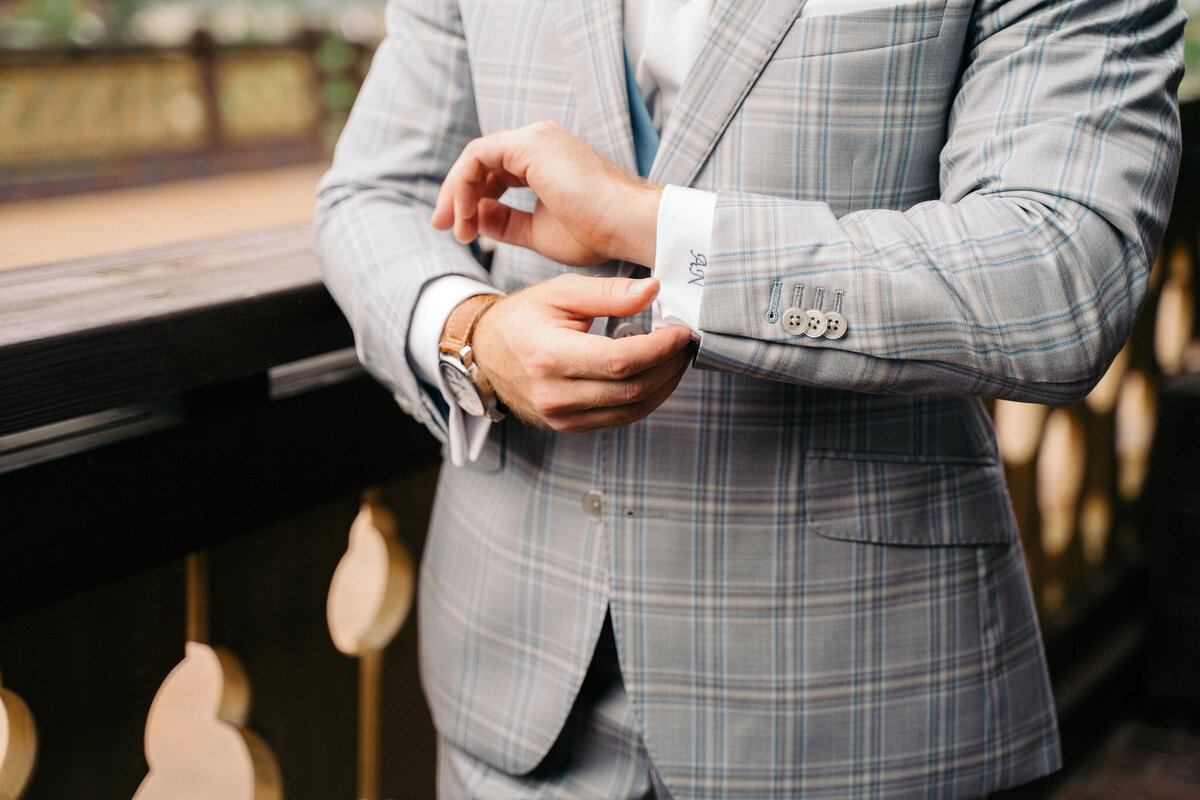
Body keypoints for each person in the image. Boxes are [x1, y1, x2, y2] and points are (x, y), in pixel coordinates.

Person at [314, 0, 1185, 795]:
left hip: (856, 711)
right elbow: (376, 191)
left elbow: (1061, 269)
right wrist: (469, 335)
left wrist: (663, 231)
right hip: (513, 700)